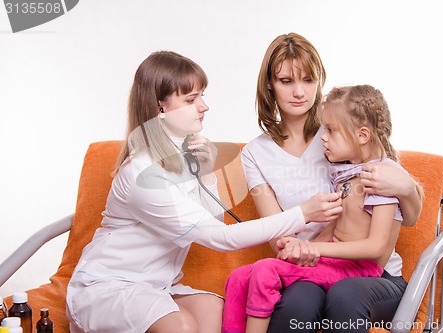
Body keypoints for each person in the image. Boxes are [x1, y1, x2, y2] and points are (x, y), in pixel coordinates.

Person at [65, 50, 342, 333]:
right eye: (191, 99)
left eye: (201, 96)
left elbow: (214, 221)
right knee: (182, 326)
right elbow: (220, 237)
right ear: (159, 107)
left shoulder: (179, 159)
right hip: (107, 287)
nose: (204, 106)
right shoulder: (141, 173)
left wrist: (206, 174)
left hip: (154, 286)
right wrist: (303, 213)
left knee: (214, 307)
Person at [239, 33, 423, 333]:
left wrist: (405, 187)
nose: (299, 92)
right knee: (297, 305)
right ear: (269, 85)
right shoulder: (255, 154)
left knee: (344, 296)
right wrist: (306, 214)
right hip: (309, 267)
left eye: (308, 80)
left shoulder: (342, 132)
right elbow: (276, 236)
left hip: (368, 272)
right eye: (286, 81)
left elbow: (408, 213)